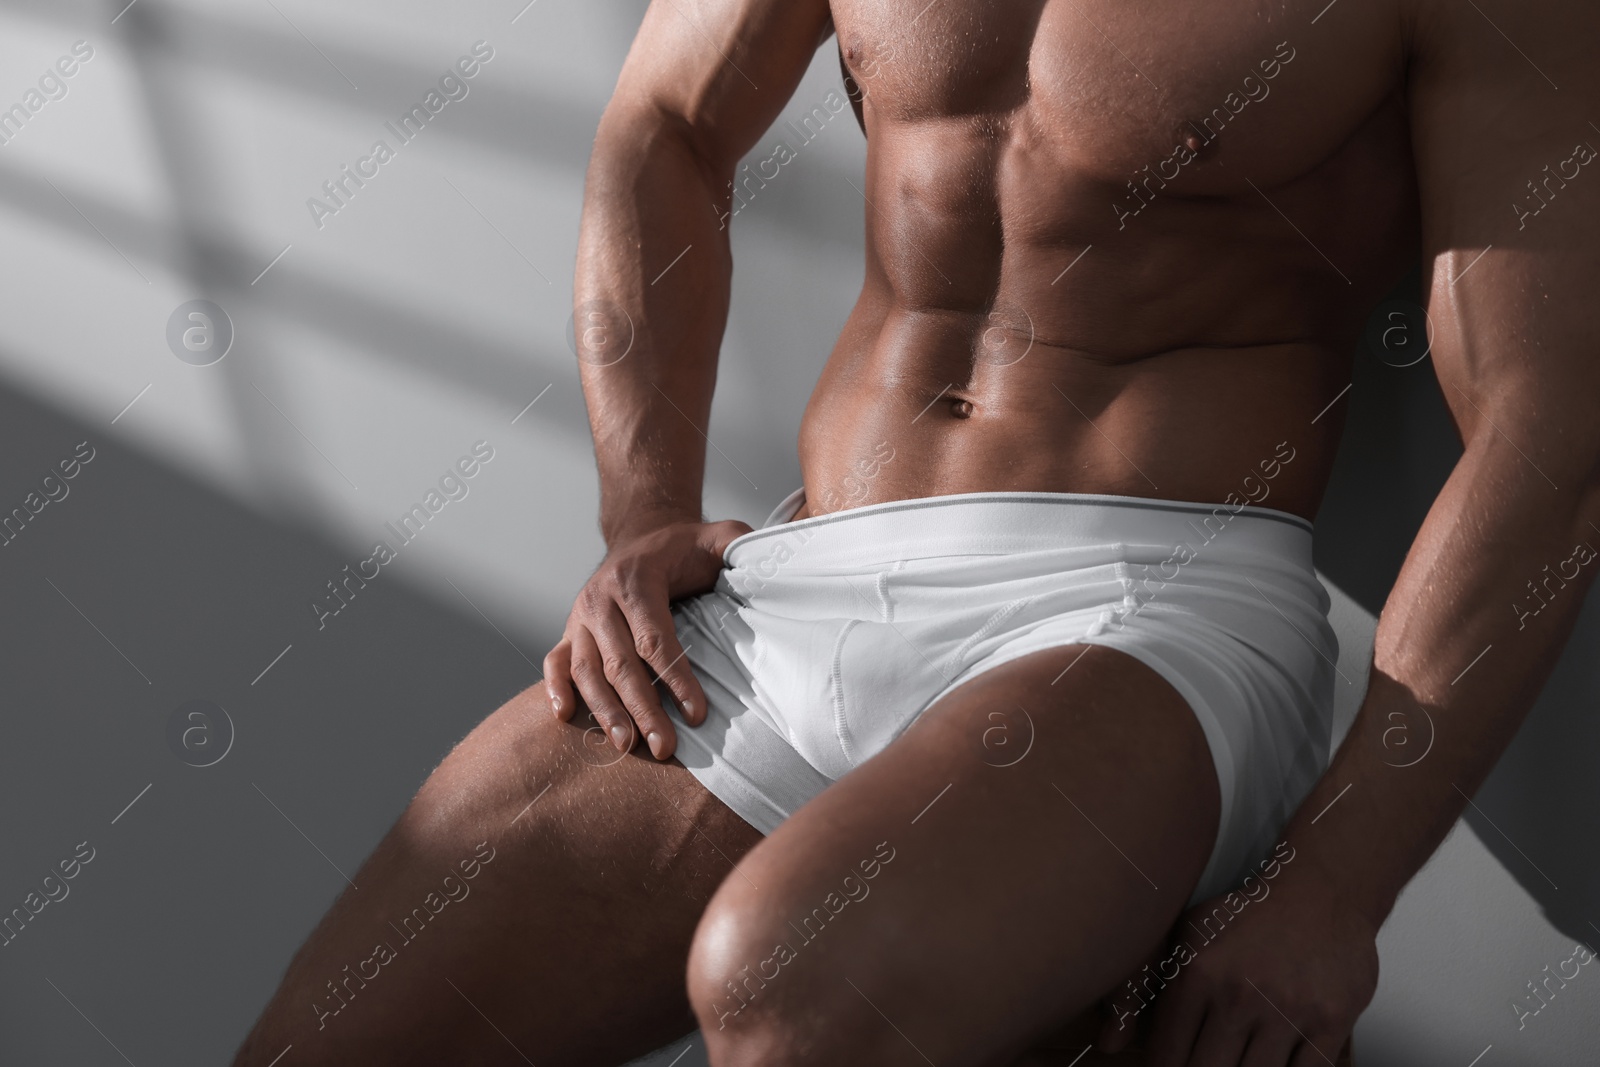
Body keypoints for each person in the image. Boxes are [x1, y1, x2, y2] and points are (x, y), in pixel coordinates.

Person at [233, 1, 1600, 1065]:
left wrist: (1335, 887)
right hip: (809, 570)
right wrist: (644, 510)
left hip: (1153, 614)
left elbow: (1553, 424)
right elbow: (662, 121)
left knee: (784, 990)